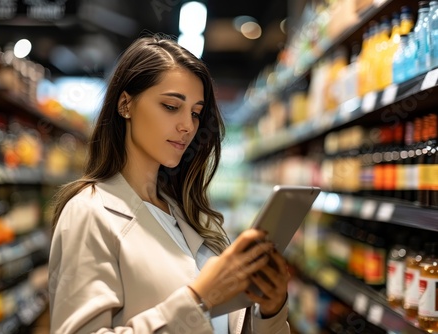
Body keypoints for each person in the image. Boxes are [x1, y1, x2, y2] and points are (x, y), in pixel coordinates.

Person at [48, 33, 290, 334]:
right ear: (126, 104)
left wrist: (271, 309)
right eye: (171, 106)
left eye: (196, 113)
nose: (187, 126)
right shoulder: (89, 212)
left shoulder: (188, 213)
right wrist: (199, 299)